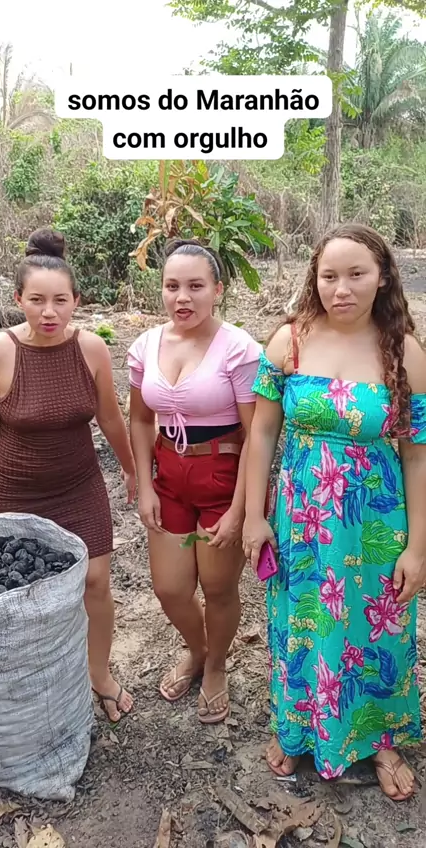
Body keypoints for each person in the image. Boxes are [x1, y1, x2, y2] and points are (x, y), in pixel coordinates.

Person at [243, 223, 426, 801]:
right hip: (302, 519)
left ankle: (380, 737)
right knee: (303, 622)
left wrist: (418, 546)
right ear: (314, 278)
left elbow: (417, 455)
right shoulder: (289, 340)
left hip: (376, 522)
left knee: (378, 628)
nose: (340, 288)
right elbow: (261, 434)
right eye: (329, 276)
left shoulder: (405, 351)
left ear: (383, 278)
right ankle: (298, 729)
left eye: (356, 274)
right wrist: (254, 515)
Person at [0, 228, 136, 723]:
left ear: (76, 301)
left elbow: (110, 417)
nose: (49, 312)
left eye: (60, 301)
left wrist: (133, 469)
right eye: (36, 301)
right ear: (18, 300)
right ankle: (37, 681)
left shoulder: (92, 349)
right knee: (26, 592)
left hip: (79, 483)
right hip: (16, 489)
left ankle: (99, 674)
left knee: (95, 580)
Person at [128, 238, 262, 724]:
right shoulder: (146, 345)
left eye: (195, 286)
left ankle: (217, 666)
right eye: (172, 286)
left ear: (217, 290)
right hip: (169, 474)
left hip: (223, 476)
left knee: (218, 586)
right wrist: (145, 485)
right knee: (170, 588)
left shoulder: (239, 349)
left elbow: (257, 434)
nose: (182, 297)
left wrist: (241, 509)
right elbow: (139, 419)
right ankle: (199, 648)